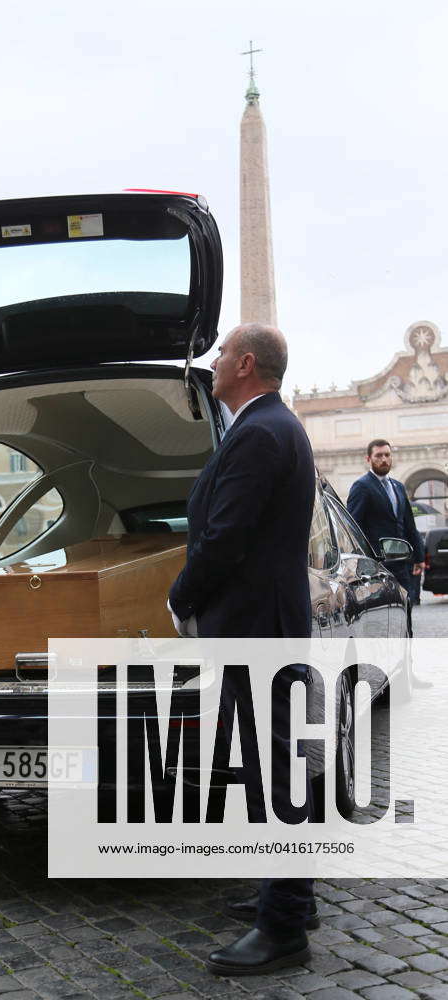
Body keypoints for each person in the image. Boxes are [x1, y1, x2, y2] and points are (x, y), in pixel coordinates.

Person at [168, 323, 317, 976]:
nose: (214, 360)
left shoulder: (259, 433)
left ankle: (283, 929)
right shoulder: (268, 427)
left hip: (257, 625)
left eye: (222, 352)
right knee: (270, 764)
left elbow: (224, 538)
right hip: (264, 622)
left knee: (275, 769)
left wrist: (180, 597)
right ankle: (290, 898)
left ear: (246, 364)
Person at [347, 440, 427, 602]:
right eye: (378, 455)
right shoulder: (362, 486)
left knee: (406, 612)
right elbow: (352, 527)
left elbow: (409, 525)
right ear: (368, 459)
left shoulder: (398, 487)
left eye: (387, 455)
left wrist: (419, 557)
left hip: (402, 565)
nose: (384, 459)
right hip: (377, 568)